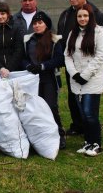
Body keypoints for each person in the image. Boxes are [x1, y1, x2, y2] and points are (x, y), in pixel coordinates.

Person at [57, 0, 103, 136]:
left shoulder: (96, 13)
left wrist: (90, 70)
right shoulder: (66, 14)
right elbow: (63, 37)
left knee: (90, 99)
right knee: (73, 96)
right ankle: (77, 125)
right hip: (72, 65)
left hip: (90, 66)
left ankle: (91, 127)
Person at [64, 4, 103, 156]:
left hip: (92, 79)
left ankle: (96, 144)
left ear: (90, 17)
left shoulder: (99, 32)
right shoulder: (73, 33)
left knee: (90, 113)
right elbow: (67, 55)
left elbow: (100, 56)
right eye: (79, 16)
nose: (82, 19)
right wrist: (74, 74)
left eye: (85, 16)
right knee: (83, 113)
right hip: (76, 79)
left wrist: (85, 75)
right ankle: (88, 142)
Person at [23, 12, 66, 149]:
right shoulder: (28, 40)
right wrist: (28, 66)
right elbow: (22, 58)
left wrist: (43, 66)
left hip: (49, 78)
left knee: (51, 107)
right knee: (35, 109)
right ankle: (40, 136)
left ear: (46, 24)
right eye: (34, 23)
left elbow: (60, 59)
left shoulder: (55, 40)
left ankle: (59, 135)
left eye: (40, 23)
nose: (37, 25)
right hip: (32, 80)